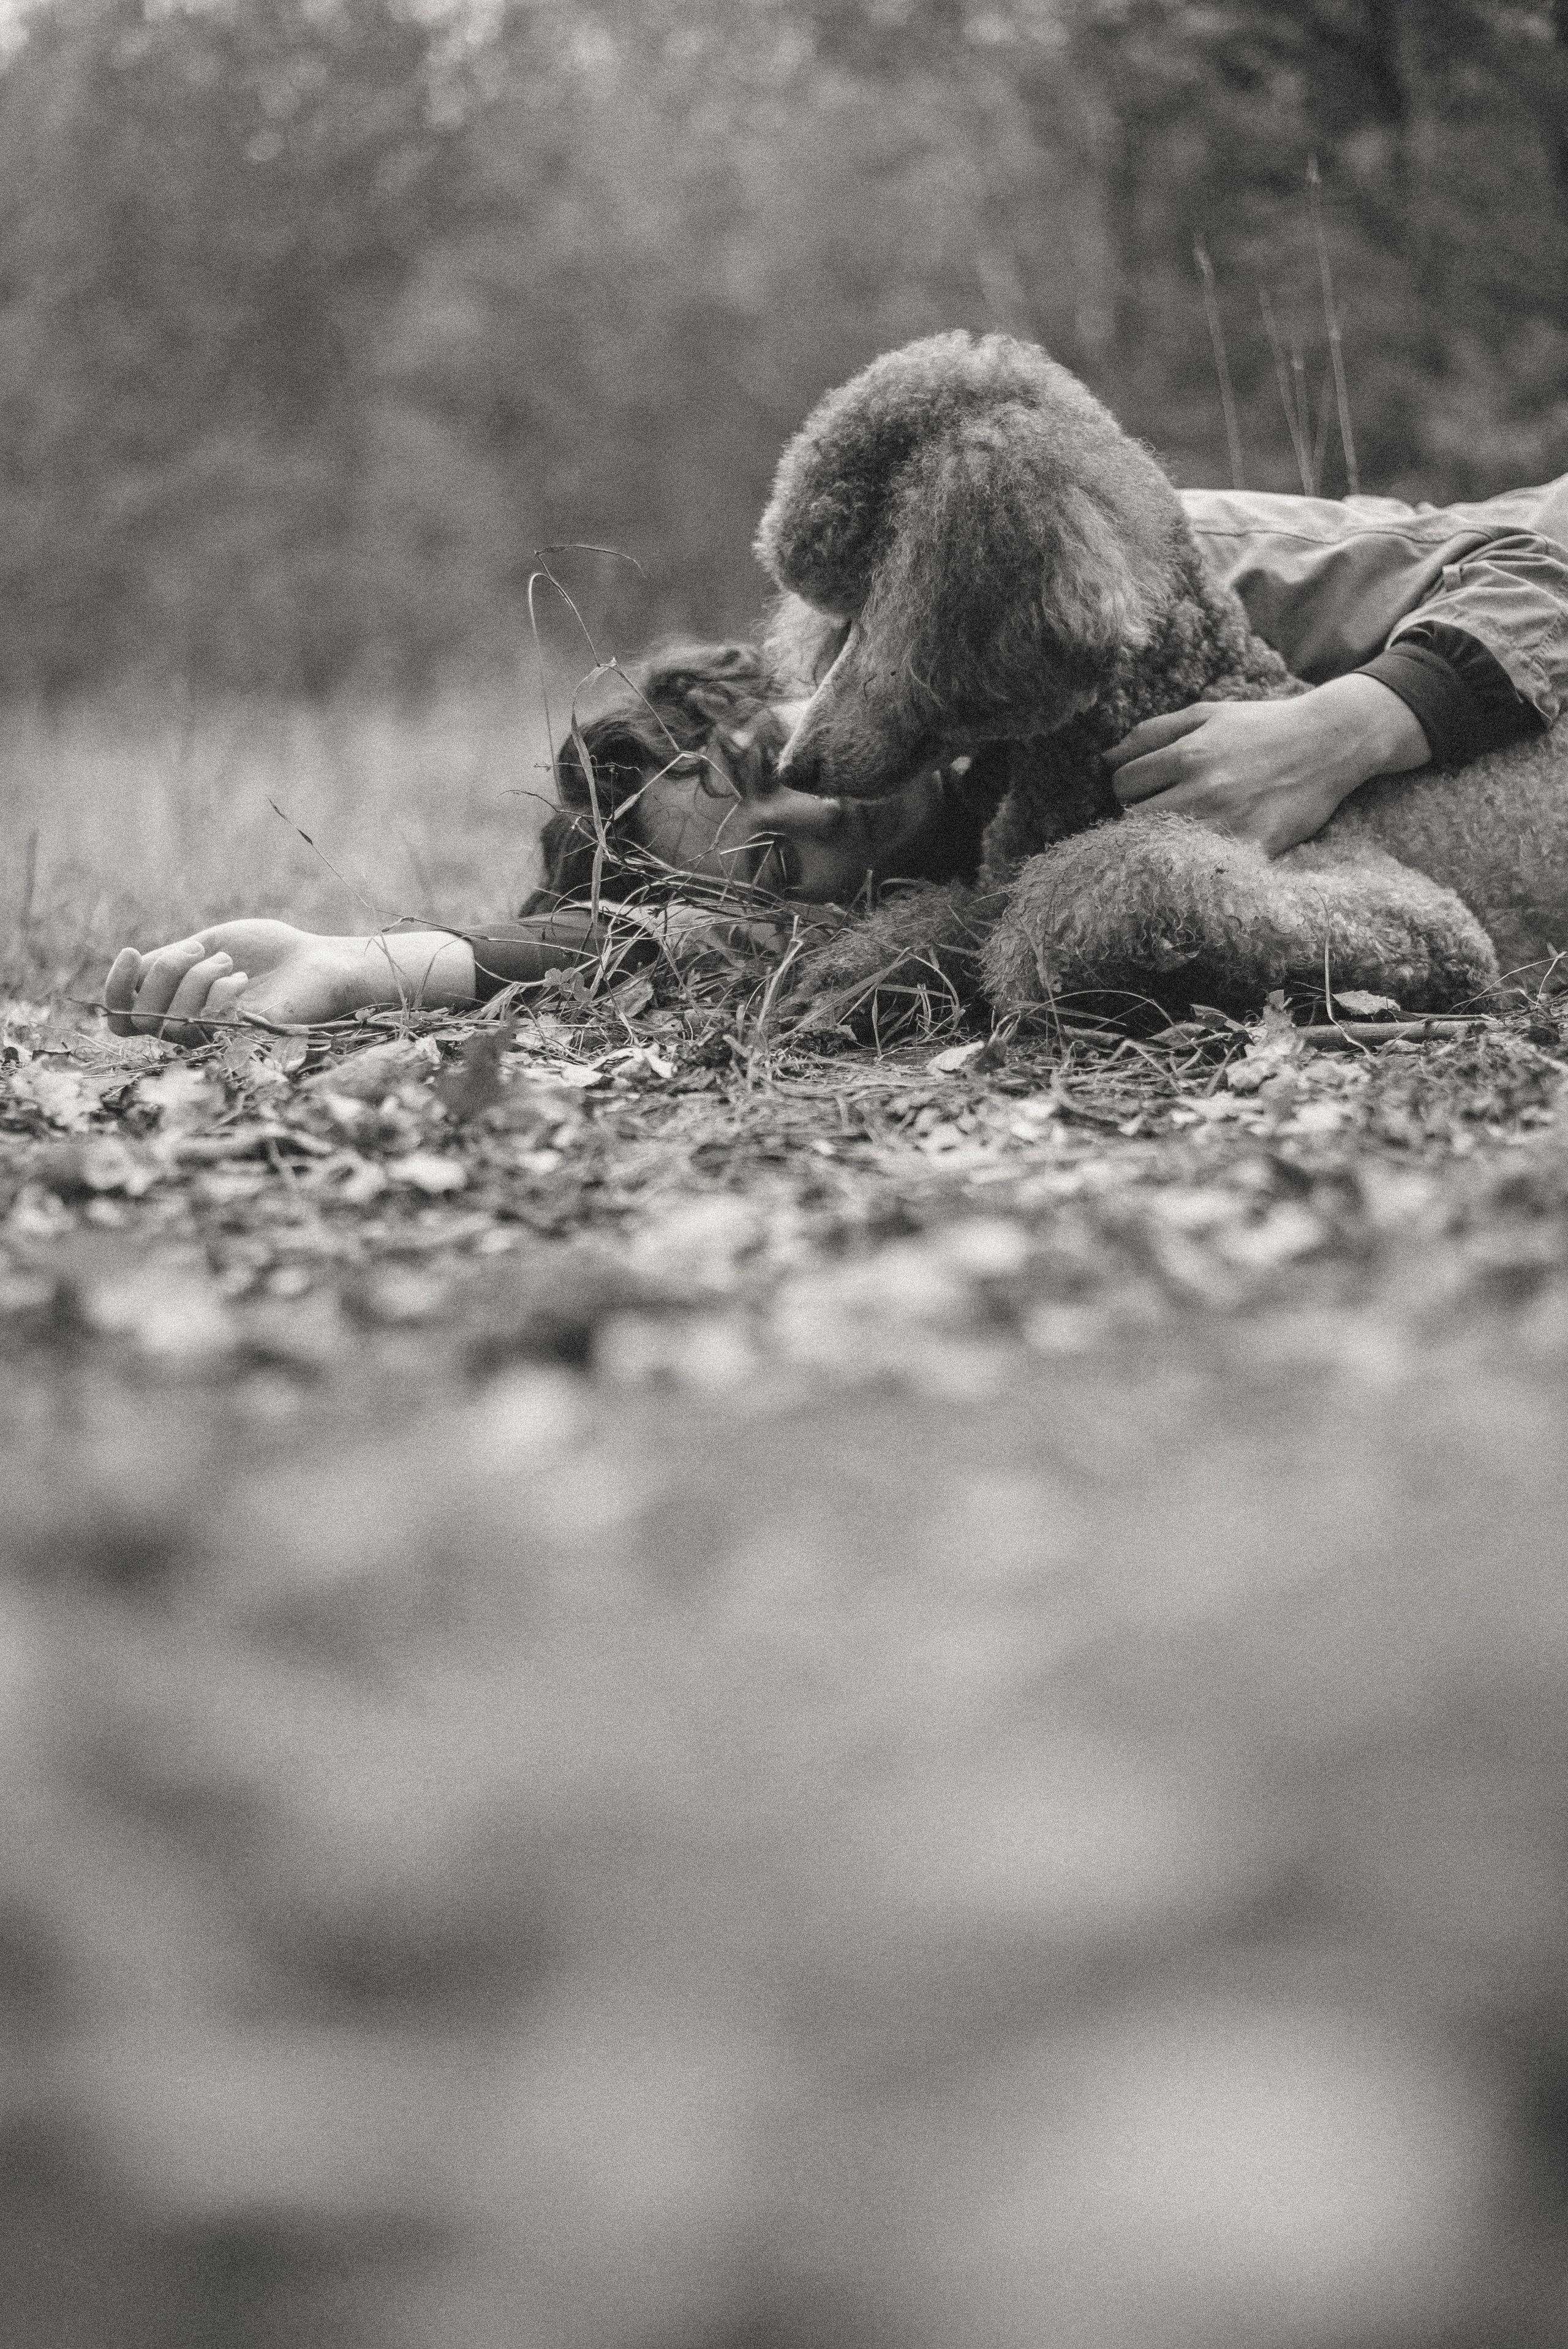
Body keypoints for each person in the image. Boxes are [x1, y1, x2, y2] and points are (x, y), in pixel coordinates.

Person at [106, 478, 1568, 1041]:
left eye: (764, 764)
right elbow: (639, 947)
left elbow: (1535, 559)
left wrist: (1343, 727)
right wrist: (358, 962)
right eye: (776, 861)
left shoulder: (1063, 588)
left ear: (788, 683)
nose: (821, 816)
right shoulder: (922, 898)